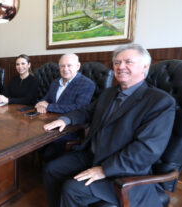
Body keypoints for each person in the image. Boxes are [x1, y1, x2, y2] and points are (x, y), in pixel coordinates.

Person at [43, 44, 176, 207]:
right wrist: (66, 119)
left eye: (128, 62)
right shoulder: (109, 93)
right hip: (92, 155)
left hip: (123, 169)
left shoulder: (160, 102)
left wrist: (104, 169)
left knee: (73, 189)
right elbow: (86, 111)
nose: (121, 67)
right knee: (51, 169)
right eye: (117, 63)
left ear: (145, 66)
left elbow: (146, 150)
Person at [35, 53, 95, 161]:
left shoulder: (86, 84)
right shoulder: (55, 82)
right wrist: (41, 104)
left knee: (47, 153)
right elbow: (45, 99)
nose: (65, 69)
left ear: (78, 66)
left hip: (70, 128)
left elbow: (79, 108)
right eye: (62, 66)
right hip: (48, 123)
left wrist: (49, 106)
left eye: (69, 65)